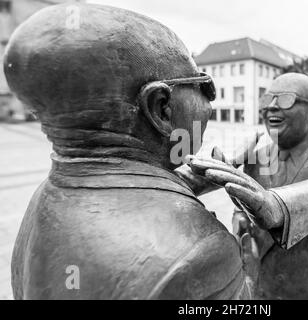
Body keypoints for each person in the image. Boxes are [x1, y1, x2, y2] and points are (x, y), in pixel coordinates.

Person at [5, 3, 251, 299]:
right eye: (204, 86)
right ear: (160, 106)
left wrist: (179, 185)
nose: (210, 103)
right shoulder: (202, 252)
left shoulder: (48, 194)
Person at [188, 73, 308, 299]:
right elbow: (242, 212)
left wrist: (274, 205)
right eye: (267, 100)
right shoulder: (257, 157)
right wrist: (242, 227)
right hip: (261, 288)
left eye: (285, 99)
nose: (272, 107)